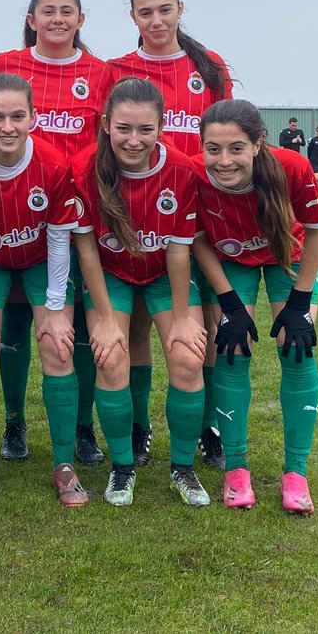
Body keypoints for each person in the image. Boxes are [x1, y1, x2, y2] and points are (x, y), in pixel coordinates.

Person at [107, 0, 233, 473]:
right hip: (135, 214)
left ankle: (207, 427)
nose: (156, 21)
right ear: (133, 18)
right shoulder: (119, 71)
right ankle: (140, 427)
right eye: (145, 13)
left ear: (180, 8)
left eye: (164, 10)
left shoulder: (209, 66)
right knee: (136, 323)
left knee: (204, 321)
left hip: (201, 215)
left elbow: (228, 134)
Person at [0, 0, 114, 467]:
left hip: (76, 218)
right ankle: (14, 421)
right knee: (15, 318)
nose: (57, 19)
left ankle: (83, 427)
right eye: (48, 11)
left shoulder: (100, 73)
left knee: (74, 324)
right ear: (32, 18)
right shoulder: (5, 64)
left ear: (81, 19)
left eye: (67, 12)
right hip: (11, 217)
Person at [72, 77, 211, 507]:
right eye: (124, 129)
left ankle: (183, 468)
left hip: (161, 274)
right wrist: (107, 320)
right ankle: (122, 467)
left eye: (145, 130)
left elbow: (178, 250)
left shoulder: (183, 171)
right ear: (106, 124)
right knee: (110, 356)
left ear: (161, 126)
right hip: (109, 272)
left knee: (189, 355)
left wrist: (186, 318)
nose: (134, 140)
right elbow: (87, 251)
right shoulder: (84, 169)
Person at [0, 74, 84, 506]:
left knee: (56, 343)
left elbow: (61, 242)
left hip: (40, 260)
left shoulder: (53, 164)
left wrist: (56, 308)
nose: (7, 126)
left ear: (33, 118)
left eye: (17, 116)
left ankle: (64, 464)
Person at [191, 99, 318, 514]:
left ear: (257, 145)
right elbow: (197, 239)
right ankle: (235, 469)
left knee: (297, 347)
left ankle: (296, 472)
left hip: (289, 254)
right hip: (230, 261)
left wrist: (301, 303)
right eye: (213, 148)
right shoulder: (196, 175)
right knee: (231, 351)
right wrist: (229, 304)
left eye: (236, 148)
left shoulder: (292, 169)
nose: (224, 159)